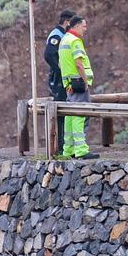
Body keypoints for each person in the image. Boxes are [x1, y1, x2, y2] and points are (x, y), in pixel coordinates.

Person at [58, 16, 97, 159]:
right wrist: (85, 81)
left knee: (70, 115)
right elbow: (79, 63)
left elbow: (61, 64)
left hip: (69, 84)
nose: (85, 29)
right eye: (84, 26)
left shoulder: (64, 40)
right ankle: (81, 150)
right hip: (79, 83)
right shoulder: (75, 41)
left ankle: (68, 149)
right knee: (80, 115)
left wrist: (68, 82)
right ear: (76, 26)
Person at [44, 9, 75, 154]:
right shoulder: (57, 35)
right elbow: (49, 55)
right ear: (67, 21)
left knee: (66, 110)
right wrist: (61, 71)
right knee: (61, 111)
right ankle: (60, 145)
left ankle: (65, 145)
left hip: (63, 78)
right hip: (58, 80)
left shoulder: (63, 35)